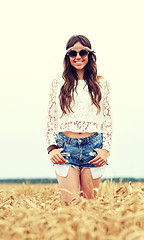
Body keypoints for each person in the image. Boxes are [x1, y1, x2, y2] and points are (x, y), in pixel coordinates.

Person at [45, 35, 112, 204]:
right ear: (67, 57)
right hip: (65, 148)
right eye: (72, 53)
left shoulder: (101, 84)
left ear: (89, 55)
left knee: (89, 208)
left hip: (94, 148)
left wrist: (106, 150)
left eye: (83, 52)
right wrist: (51, 148)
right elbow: (50, 118)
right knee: (72, 207)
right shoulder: (57, 83)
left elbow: (108, 119)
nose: (78, 57)